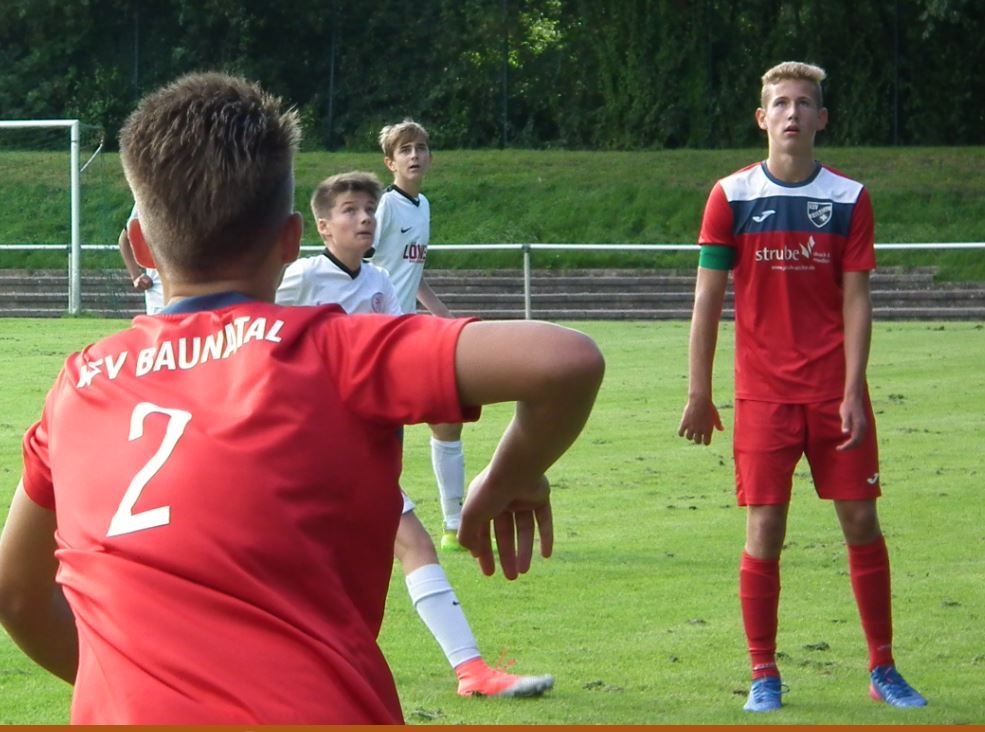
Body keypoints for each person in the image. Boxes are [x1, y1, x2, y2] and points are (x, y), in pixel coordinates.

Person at [0, 72, 604, 725]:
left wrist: (142, 681)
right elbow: (564, 361)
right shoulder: (332, 351)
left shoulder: (79, 385)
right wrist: (510, 477)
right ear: (291, 242)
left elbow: (15, 594)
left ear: (142, 245)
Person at [677, 61, 927, 713]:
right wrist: (699, 392)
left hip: (833, 393)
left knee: (861, 519)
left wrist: (852, 390)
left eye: (804, 103)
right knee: (764, 528)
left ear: (821, 118)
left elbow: (856, 300)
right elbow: (706, 300)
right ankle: (764, 673)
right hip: (762, 396)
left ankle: (882, 667)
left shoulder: (849, 198)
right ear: (762, 118)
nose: (792, 113)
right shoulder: (729, 196)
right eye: (781, 103)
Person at [276, 170, 555, 699]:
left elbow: (393, 354)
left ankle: (466, 671)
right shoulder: (303, 277)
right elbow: (247, 321)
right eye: (350, 210)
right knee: (385, 551)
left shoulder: (380, 283)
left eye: (368, 209)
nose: (364, 218)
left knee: (402, 548)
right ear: (323, 227)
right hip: (308, 447)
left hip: (358, 450)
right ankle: (466, 669)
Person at [368, 119, 466, 552]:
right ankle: (375, 521)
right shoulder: (385, 207)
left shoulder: (422, 205)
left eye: (420, 148)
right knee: (379, 441)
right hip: (377, 336)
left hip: (408, 330)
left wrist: (440, 312)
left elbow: (412, 269)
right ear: (390, 162)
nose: (414, 155)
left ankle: (455, 527)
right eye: (405, 149)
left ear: (430, 157)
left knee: (447, 415)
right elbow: (362, 262)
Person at [117, 204, 163, 314]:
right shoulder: (149, 199)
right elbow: (125, 238)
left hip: (196, 292)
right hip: (159, 295)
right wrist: (135, 276)